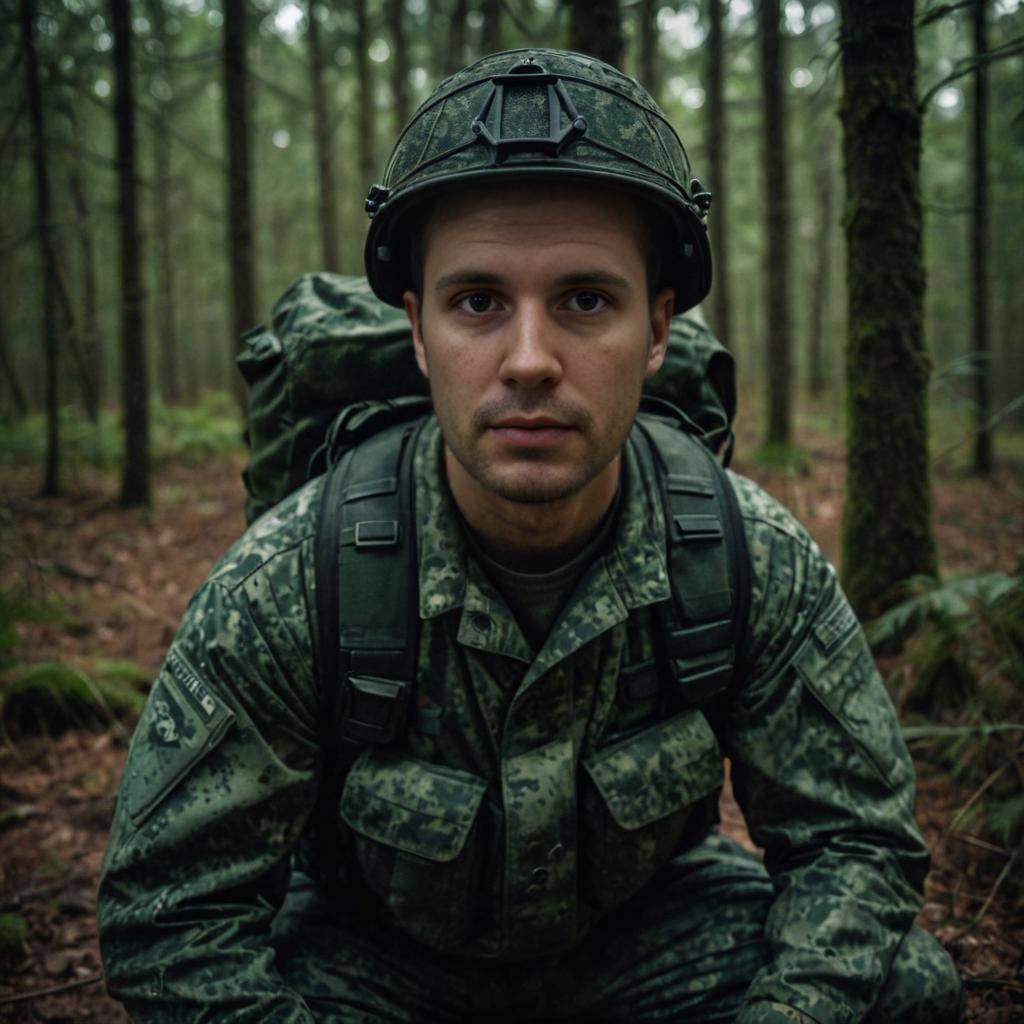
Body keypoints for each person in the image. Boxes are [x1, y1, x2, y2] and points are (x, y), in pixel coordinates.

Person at [98, 49, 963, 1023]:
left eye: (585, 301)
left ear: (657, 330)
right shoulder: (295, 577)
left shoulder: (741, 555)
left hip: (648, 946)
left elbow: (855, 841)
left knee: (903, 991)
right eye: (477, 303)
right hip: (374, 960)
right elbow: (167, 917)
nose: (529, 361)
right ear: (418, 331)